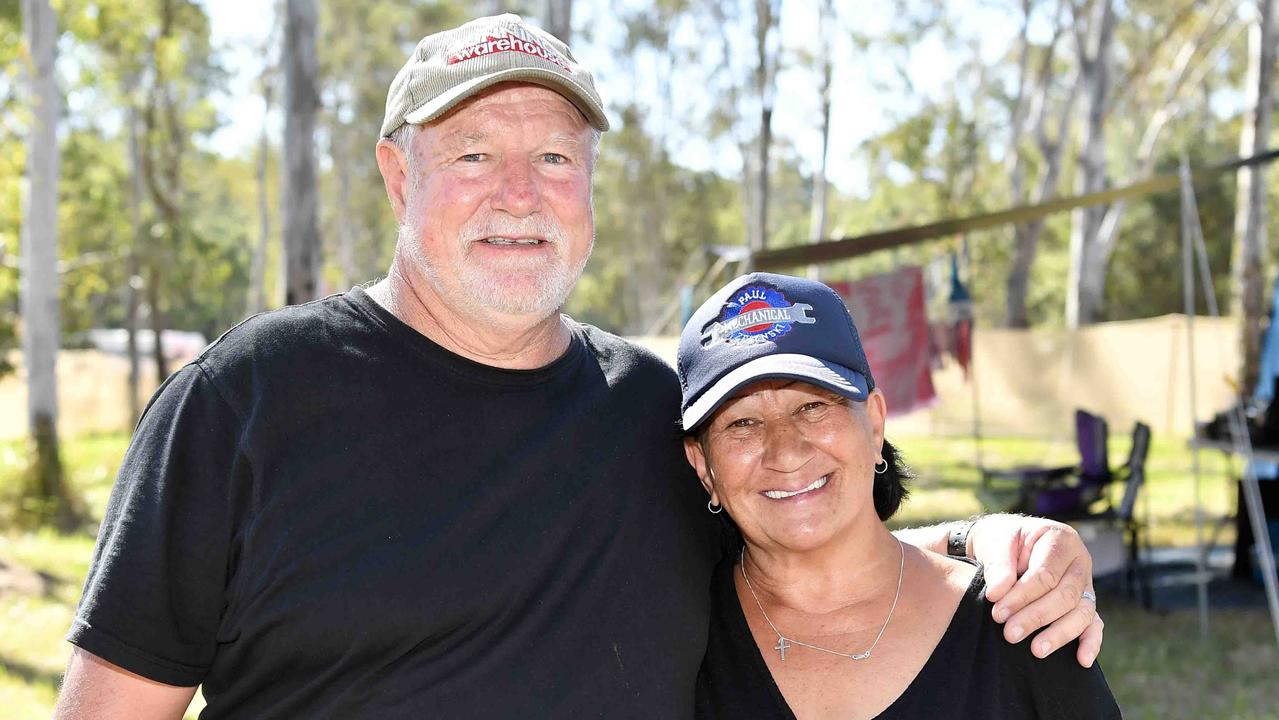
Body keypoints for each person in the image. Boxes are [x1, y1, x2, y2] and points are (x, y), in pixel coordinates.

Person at [54, 14, 1102, 719]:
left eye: (553, 157)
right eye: (471, 155)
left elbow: (798, 522)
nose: (519, 193)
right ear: (394, 175)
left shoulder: (646, 412)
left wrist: (990, 539)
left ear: (589, 182)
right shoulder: (244, 402)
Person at [680, 273, 1120, 719]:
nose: (787, 452)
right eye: (742, 424)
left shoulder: (1020, 618)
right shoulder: (674, 643)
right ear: (703, 466)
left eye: (813, 406)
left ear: (874, 425)